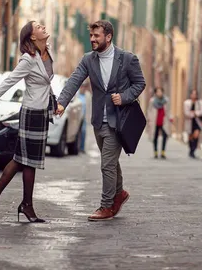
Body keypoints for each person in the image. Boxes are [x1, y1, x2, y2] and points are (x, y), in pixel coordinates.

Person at [56, 20, 146, 221]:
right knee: (110, 162)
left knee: (106, 163)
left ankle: (106, 206)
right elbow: (74, 80)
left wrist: (124, 97)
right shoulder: (89, 59)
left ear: (108, 37)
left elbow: (140, 83)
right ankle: (120, 193)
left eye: (96, 36)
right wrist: (62, 102)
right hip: (98, 120)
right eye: (91, 36)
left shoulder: (127, 59)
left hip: (118, 120)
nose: (92, 39)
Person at [0, 21, 54, 223]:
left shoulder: (47, 55)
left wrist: (55, 103)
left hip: (42, 113)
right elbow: (9, 81)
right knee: (27, 162)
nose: (43, 26)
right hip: (31, 114)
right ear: (32, 37)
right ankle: (26, 205)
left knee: (22, 160)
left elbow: (45, 85)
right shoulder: (28, 59)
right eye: (38, 26)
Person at [146, 87, 172, 159]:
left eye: (160, 91)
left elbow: (169, 110)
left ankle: (163, 152)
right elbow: (149, 110)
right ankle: (155, 152)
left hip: (164, 121)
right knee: (155, 137)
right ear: (155, 93)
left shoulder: (166, 100)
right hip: (155, 121)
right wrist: (149, 119)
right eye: (158, 92)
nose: (159, 93)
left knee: (165, 136)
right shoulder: (152, 101)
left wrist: (170, 118)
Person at [183, 89, 202, 159]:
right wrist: (194, 114)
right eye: (193, 94)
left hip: (197, 122)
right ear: (190, 95)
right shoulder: (186, 103)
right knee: (190, 136)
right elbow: (186, 113)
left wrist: (195, 113)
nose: (194, 95)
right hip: (189, 122)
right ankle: (191, 150)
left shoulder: (200, 102)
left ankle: (193, 150)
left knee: (196, 135)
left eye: (195, 94)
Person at [77, 83, 89, 153]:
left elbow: (89, 106)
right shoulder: (77, 94)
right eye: (82, 87)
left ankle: (82, 147)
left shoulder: (87, 95)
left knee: (83, 131)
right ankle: (76, 146)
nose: (83, 88)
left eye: (84, 87)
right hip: (77, 116)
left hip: (84, 117)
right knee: (77, 131)